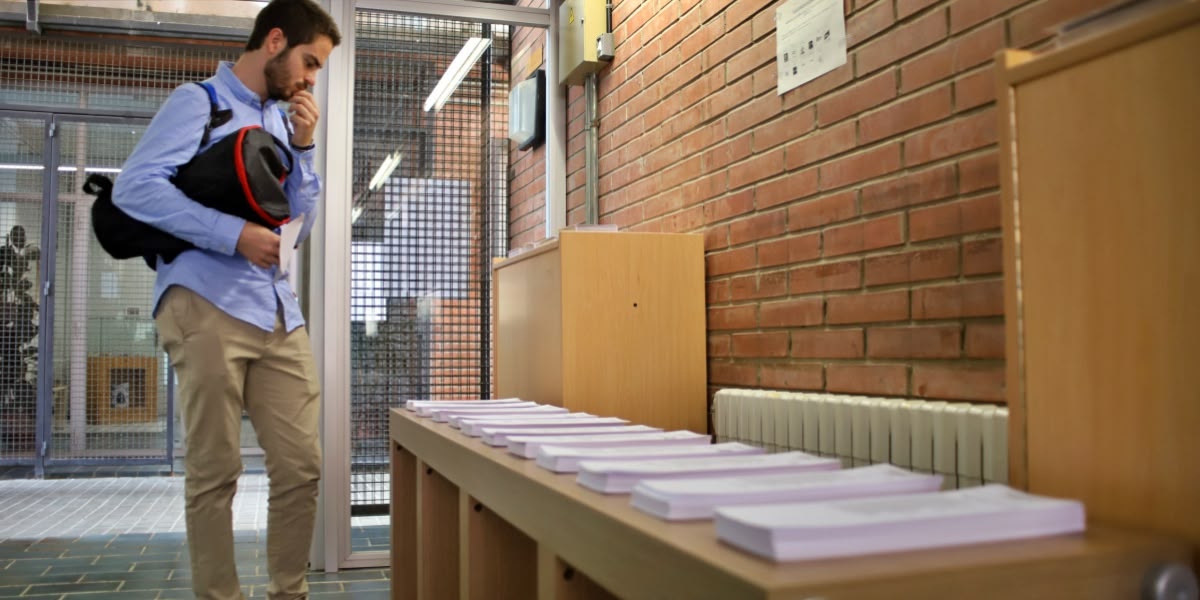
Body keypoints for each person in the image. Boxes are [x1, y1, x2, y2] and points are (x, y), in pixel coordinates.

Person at [112, 1, 340, 598]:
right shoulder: (200, 102)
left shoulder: (281, 122)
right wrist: (231, 233)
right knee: (215, 472)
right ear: (274, 41)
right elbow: (134, 188)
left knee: (301, 466)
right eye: (310, 62)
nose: (312, 78)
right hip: (204, 300)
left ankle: (288, 591)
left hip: (275, 311)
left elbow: (297, 225)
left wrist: (306, 148)